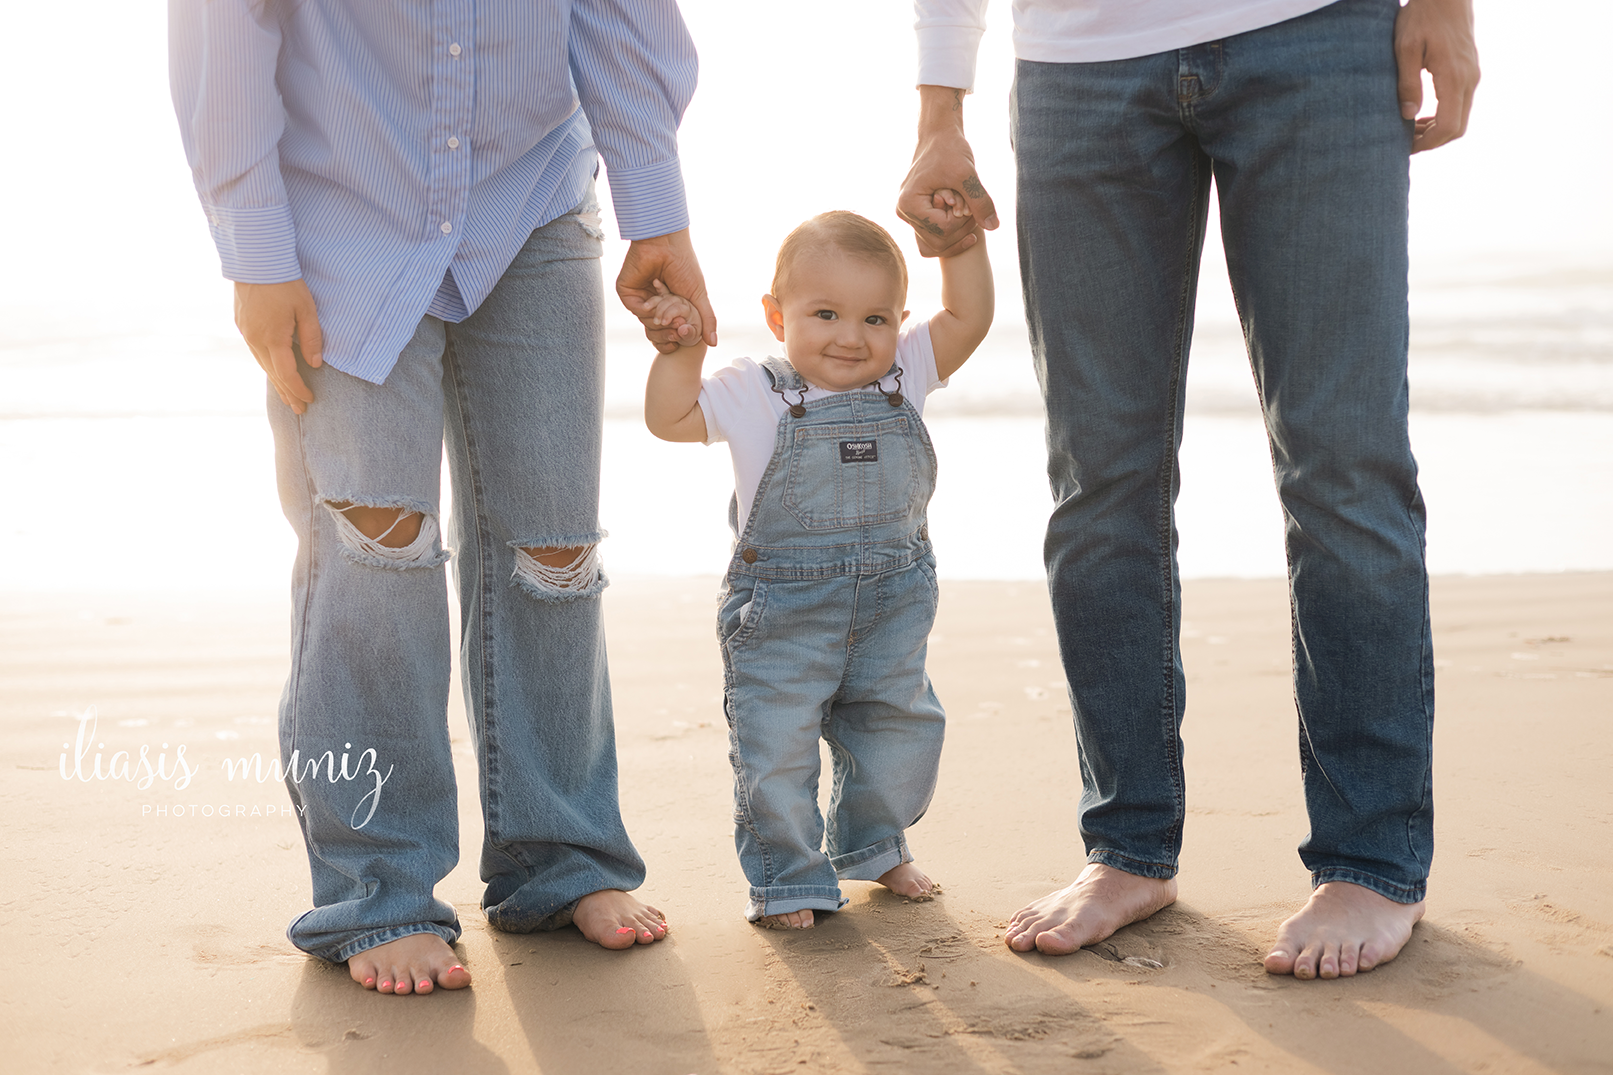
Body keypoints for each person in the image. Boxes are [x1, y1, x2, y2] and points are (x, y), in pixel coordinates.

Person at [899, 0, 1479, 979]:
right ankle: (1126, 846)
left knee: (1340, 464)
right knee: (1098, 477)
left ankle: (1370, 860)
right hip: (1074, 63)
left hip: (1317, 33)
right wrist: (937, 109)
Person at [169, 0, 717, 995]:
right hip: (342, 211)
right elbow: (223, 26)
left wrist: (656, 208)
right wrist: (256, 256)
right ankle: (376, 889)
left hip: (533, 202)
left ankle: (562, 859)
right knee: (374, 547)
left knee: (555, 550)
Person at [642, 209, 994, 928]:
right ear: (776, 316)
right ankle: (787, 879)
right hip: (781, 614)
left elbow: (970, 315)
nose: (850, 336)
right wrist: (678, 351)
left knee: (897, 732)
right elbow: (668, 417)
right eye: (825, 313)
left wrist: (961, 247)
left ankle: (871, 846)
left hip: (892, 604)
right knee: (776, 751)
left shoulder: (906, 370)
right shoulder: (754, 391)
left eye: (874, 318)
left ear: (899, 322)